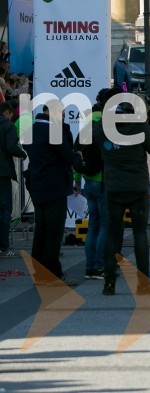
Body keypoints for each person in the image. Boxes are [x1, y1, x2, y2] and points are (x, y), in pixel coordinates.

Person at [93, 89, 150, 296]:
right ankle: (143, 283)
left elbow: (95, 144)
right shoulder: (139, 126)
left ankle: (109, 283)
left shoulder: (102, 129)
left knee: (112, 234)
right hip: (137, 187)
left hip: (114, 187)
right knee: (140, 233)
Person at [24, 105, 77, 285]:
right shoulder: (53, 131)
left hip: (38, 185)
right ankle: (53, 272)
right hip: (55, 185)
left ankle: (39, 272)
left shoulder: (31, 129)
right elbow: (67, 156)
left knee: (41, 230)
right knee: (54, 232)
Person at [73, 92, 107, 279]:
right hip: (103, 181)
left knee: (93, 226)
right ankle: (100, 266)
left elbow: (78, 156)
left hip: (88, 181)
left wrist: (77, 179)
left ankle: (89, 268)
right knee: (105, 226)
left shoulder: (84, 129)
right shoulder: (105, 127)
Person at [0, 102, 27, 258]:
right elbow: (11, 147)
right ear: (7, 113)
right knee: (4, 210)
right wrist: (22, 153)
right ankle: (3, 247)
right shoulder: (8, 127)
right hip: (2, 174)